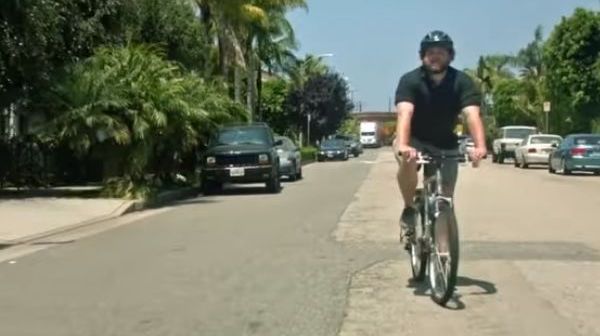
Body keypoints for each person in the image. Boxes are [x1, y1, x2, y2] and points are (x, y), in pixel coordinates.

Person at [393, 30, 487, 241]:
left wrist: (480, 146)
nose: (435, 56)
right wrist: (404, 146)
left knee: (445, 198)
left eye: (441, 52)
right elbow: (404, 114)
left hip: (445, 143)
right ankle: (409, 209)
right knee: (407, 161)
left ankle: (443, 255)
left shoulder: (462, 81)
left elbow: (471, 115)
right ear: (422, 56)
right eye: (430, 52)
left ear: (450, 55)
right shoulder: (410, 80)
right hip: (414, 139)